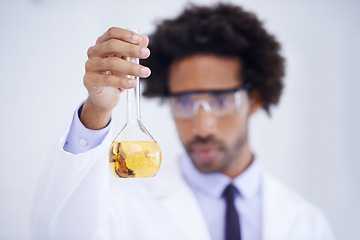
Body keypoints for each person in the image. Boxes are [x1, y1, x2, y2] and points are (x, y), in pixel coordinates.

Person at [30, 3, 336, 240]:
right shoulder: (125, 205)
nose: (202, 127)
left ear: (255, 98)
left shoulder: (307, 224)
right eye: (185, 102)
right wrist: (97, 111)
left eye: (220, 100)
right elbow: (58, 232)